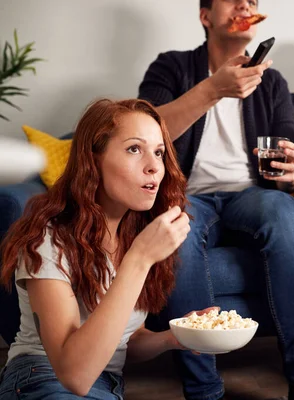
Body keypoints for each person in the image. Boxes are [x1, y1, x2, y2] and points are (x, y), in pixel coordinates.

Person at [137, 1, 294, 399]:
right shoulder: (171, 67)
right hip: (187, 195)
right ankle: (203, 390)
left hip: (252, 195)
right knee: (175, 228)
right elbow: (144, 134)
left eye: (253, 1)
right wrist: (212, 89)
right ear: (205, 17)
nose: (246, 4)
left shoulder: (271, 83)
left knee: (285, 214)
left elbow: (293, 160)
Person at [0, 98, 205, 399]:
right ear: (93, 160)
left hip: (107, 385)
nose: (153, 167)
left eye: (159, 152)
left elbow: (122, 338)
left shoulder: (134, 235)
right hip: (42, 378)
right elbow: (74, 375)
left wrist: (174, 338)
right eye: (134, 149)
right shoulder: (48, 239)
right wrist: (139, 259)